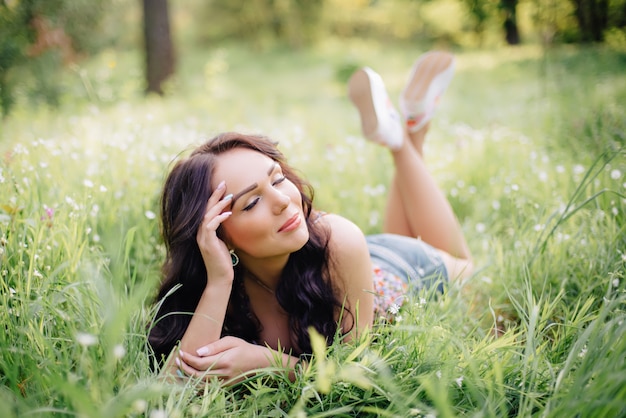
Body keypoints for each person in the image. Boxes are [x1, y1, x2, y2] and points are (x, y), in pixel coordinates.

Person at [147, 51, 473, 384]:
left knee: (468, 268)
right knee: (398, 231)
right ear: (216, 234)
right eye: (251, 203)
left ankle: (404, 142)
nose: (283, 201)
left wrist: (271, 362)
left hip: (397, 270)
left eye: (277, 179)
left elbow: (358, 378)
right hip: (353, 266)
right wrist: (219, 281)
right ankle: (407, 129)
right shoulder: (215, 287)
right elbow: (175, 390)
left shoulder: (340, 239)